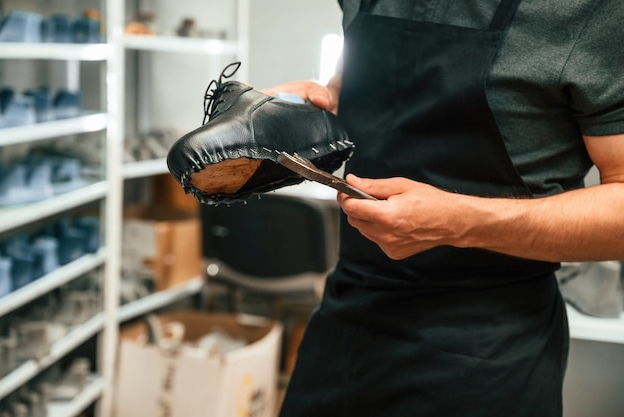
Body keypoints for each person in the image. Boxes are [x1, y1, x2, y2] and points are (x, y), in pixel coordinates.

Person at [261, 0, 624, 416]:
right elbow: (365, 85)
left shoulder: (592, 11)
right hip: (347, 325)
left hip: (486, 352)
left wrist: (459, 223)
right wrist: (321, 103)